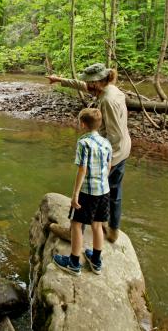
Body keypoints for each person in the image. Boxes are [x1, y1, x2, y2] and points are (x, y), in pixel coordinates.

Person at [47, 62, 131, 243]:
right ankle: (113, 231)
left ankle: (73, 232)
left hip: (112, 154)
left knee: (86, 191)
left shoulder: (107, 100)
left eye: (90, 83)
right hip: (123, 150)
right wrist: (60, 80)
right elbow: (82, 85)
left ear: (98, 82)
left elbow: (114, 135)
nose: (87, 86)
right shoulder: (109, 89)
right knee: (114, 192)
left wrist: (100, 157)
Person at [53, 107, 112, 276]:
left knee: (77, 225)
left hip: (87, 192)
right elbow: (108, 166)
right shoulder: (106, 142)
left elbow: (82, 169)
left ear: (83, 124)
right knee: (97, 224)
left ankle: (73, 263)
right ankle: (96, 261)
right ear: (99, 124)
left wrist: (75, 194)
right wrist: (102, 181)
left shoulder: (83, 143)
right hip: (104, 190)